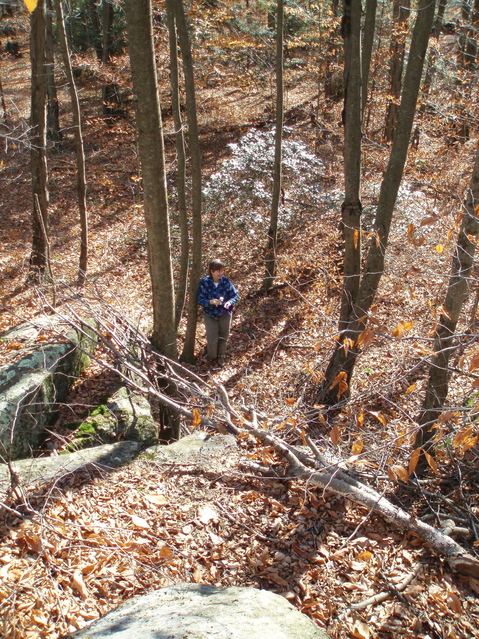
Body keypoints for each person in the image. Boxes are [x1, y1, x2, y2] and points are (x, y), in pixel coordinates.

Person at [197, 259, 239, 368]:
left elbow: (235, 295)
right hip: (210, 314)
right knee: (212, 337)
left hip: (225, 313)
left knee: (223, 336)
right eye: (218, 271)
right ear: (212, 271)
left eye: (222, 271)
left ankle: (221, 355)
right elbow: (200, 299)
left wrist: (229, 302)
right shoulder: (205, 282)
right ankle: (211, 355)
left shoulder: (226, 282)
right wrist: (210, 302)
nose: (220, 273)